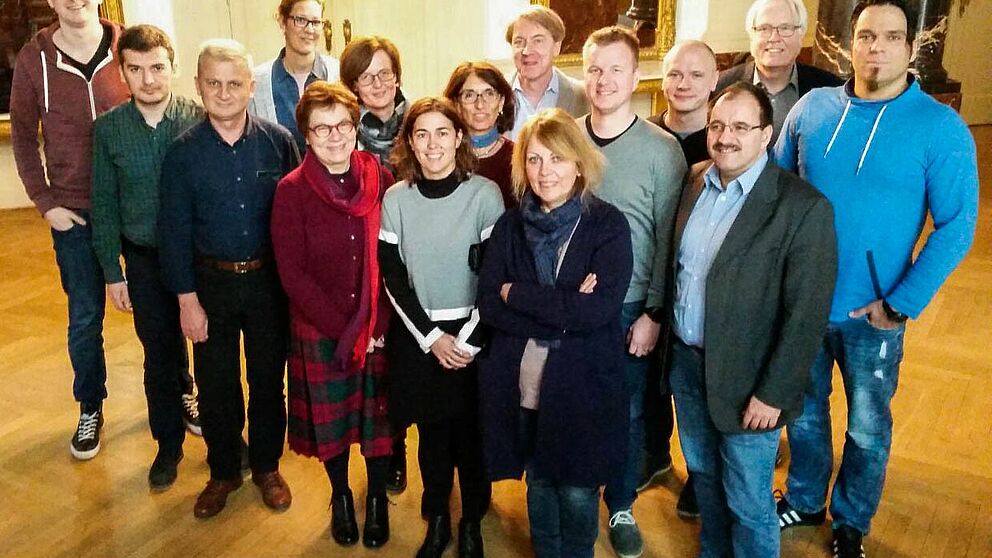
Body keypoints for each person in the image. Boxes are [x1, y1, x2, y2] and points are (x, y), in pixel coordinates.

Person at [773, 2, 979, 556]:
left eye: (891, 37)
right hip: (803, 303)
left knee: (867, 428)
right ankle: (806, 497)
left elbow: (958, 226)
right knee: (806, 414)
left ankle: (851, 521)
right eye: (866, 35)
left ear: (910, 47)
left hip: (874, 316)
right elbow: (774, 189)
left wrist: (901, 302)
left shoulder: (941, 127)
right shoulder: (812, 110)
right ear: (849, 42)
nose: (876, 47)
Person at [668, 81, 836, 558]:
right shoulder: (695, 180)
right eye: (718, 125)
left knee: (748, 500)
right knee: (705, 481)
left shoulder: (802, 207)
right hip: (688, 364)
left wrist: (774, 394)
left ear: (767, 135)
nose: (725, 137)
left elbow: (806, 316)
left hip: (751, 384)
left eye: (741, 127)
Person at [477, 107, 633, 558]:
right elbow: (490, 304)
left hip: (583, 381)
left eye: (558, 158)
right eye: (535, 159)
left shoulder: (607, 224)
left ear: (579, 163)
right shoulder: (509, 226)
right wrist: (565, 305)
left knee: (579, 488)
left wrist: (517, 293)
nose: (545, 172)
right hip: (523, 380)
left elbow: (599, 310)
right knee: (540, 481)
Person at [158, 39, 301, 519]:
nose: (224, 91)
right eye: (213, 82)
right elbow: (173, 231)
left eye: (234, 82)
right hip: (209, 287)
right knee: (216, 385)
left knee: (267, 381)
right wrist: (186, 300)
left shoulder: (279, 141)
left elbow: (297, 217)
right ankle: (222, 471)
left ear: (250, 85)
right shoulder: (182, 155)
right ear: (198, 86)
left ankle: (265, 466)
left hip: (268, 285)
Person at [271, 81, 395, 548]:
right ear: (306, 134)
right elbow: (293, 273)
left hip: (378, 324)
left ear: (356, 126)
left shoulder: (380, 177)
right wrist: (343, 330)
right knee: (336, 426)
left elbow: (395, 255)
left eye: (343, 124)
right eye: (322, 128)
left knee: (378, 423)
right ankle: (341, 495)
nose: (335, 136)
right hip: (321, 329)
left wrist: (377, 324)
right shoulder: (292, 191)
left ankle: (378, 497)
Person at [379, 97, 504, 558]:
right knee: (431, 438)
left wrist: (467, 340)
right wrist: (432, 339)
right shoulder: (396, 198)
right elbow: (392, 275)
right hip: (421, 336)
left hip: (475, 333)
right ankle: (438, 521)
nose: (433, 144)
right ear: (410, 142)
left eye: (442, 133)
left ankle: (471, 520)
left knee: (471, 436)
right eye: (422, 134)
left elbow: (494, 275)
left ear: (458, 138)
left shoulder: (484, 194)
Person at [579, 26, 686, 558]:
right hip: (569, 307)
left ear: (634, 75)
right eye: (595, 69)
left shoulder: (662, 150)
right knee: (572, 404)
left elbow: (669, 238)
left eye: (616, 69)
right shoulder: (563, 138)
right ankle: (573, 496)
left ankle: (620, 503)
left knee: (624, 411)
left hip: (628, 309)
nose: (603, 80)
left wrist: (653, 312)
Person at [9, 0, 130, 460]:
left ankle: (180, 388)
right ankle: (90, 406)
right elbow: (22, 134)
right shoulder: (32, 58)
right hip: (74, 212)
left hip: (132, 207)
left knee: (157, 306)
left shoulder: (127, 44)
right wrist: (45, 203)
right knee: (84, 316)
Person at [90, 24, 203, 490]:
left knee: (210, 348)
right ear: (123, 73)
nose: (149, 79)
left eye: (157, 67)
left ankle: (221, 434)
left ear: (172, 67)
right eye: (135, 70)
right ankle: (168, 445)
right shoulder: (108, 130)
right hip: (143, 259)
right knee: (157, 352)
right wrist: (112, 272)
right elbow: (104, 203)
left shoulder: (199, 119)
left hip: (198, 258)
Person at [716, 0, 843, 142]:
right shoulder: (721, 87)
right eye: (764, 28)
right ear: (751, 35)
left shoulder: (831, 90)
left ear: (801, 35)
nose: (774, 38)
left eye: (785, 28)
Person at [249, 0, 339, 153]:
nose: (309, 29)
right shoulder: (258, 82)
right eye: (301, 20)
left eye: (316, 22)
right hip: (279, 176)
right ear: (283, 22)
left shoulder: (338, 74)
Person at [505, 5, 589, 139]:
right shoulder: (493, 95)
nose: (526, 51)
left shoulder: (583, 97)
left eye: (538, 41)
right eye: (519, 42)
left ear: (557, 47)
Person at [443, 61, 517, 208]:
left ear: (501, 102)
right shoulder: (442, 156)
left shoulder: (518, 158)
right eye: (469, 95)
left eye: (489, 94)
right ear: (456, 104)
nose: (480, 105)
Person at [340, 35, 405, 175]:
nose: (378, 84)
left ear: (396, 77)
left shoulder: (419, 121)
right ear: (354, 85)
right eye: (366, 77)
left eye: (384, 73)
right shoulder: (343, 130)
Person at [647, 40, 718, 167]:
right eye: (674, 75)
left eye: (696, 75)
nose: (683, 85)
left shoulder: (725, 140)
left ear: (714, 80)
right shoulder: (645, 134)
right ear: (663, 80)